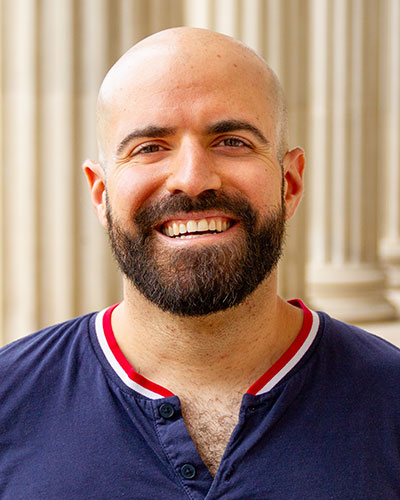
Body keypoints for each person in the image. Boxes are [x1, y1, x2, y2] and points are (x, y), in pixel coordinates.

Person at [0, 27, 399, 500]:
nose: (192, 180)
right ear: (101, 195)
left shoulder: (390, 401)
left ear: (289, 184)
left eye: (232, 141)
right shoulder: (10, 402)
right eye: (149, 147)